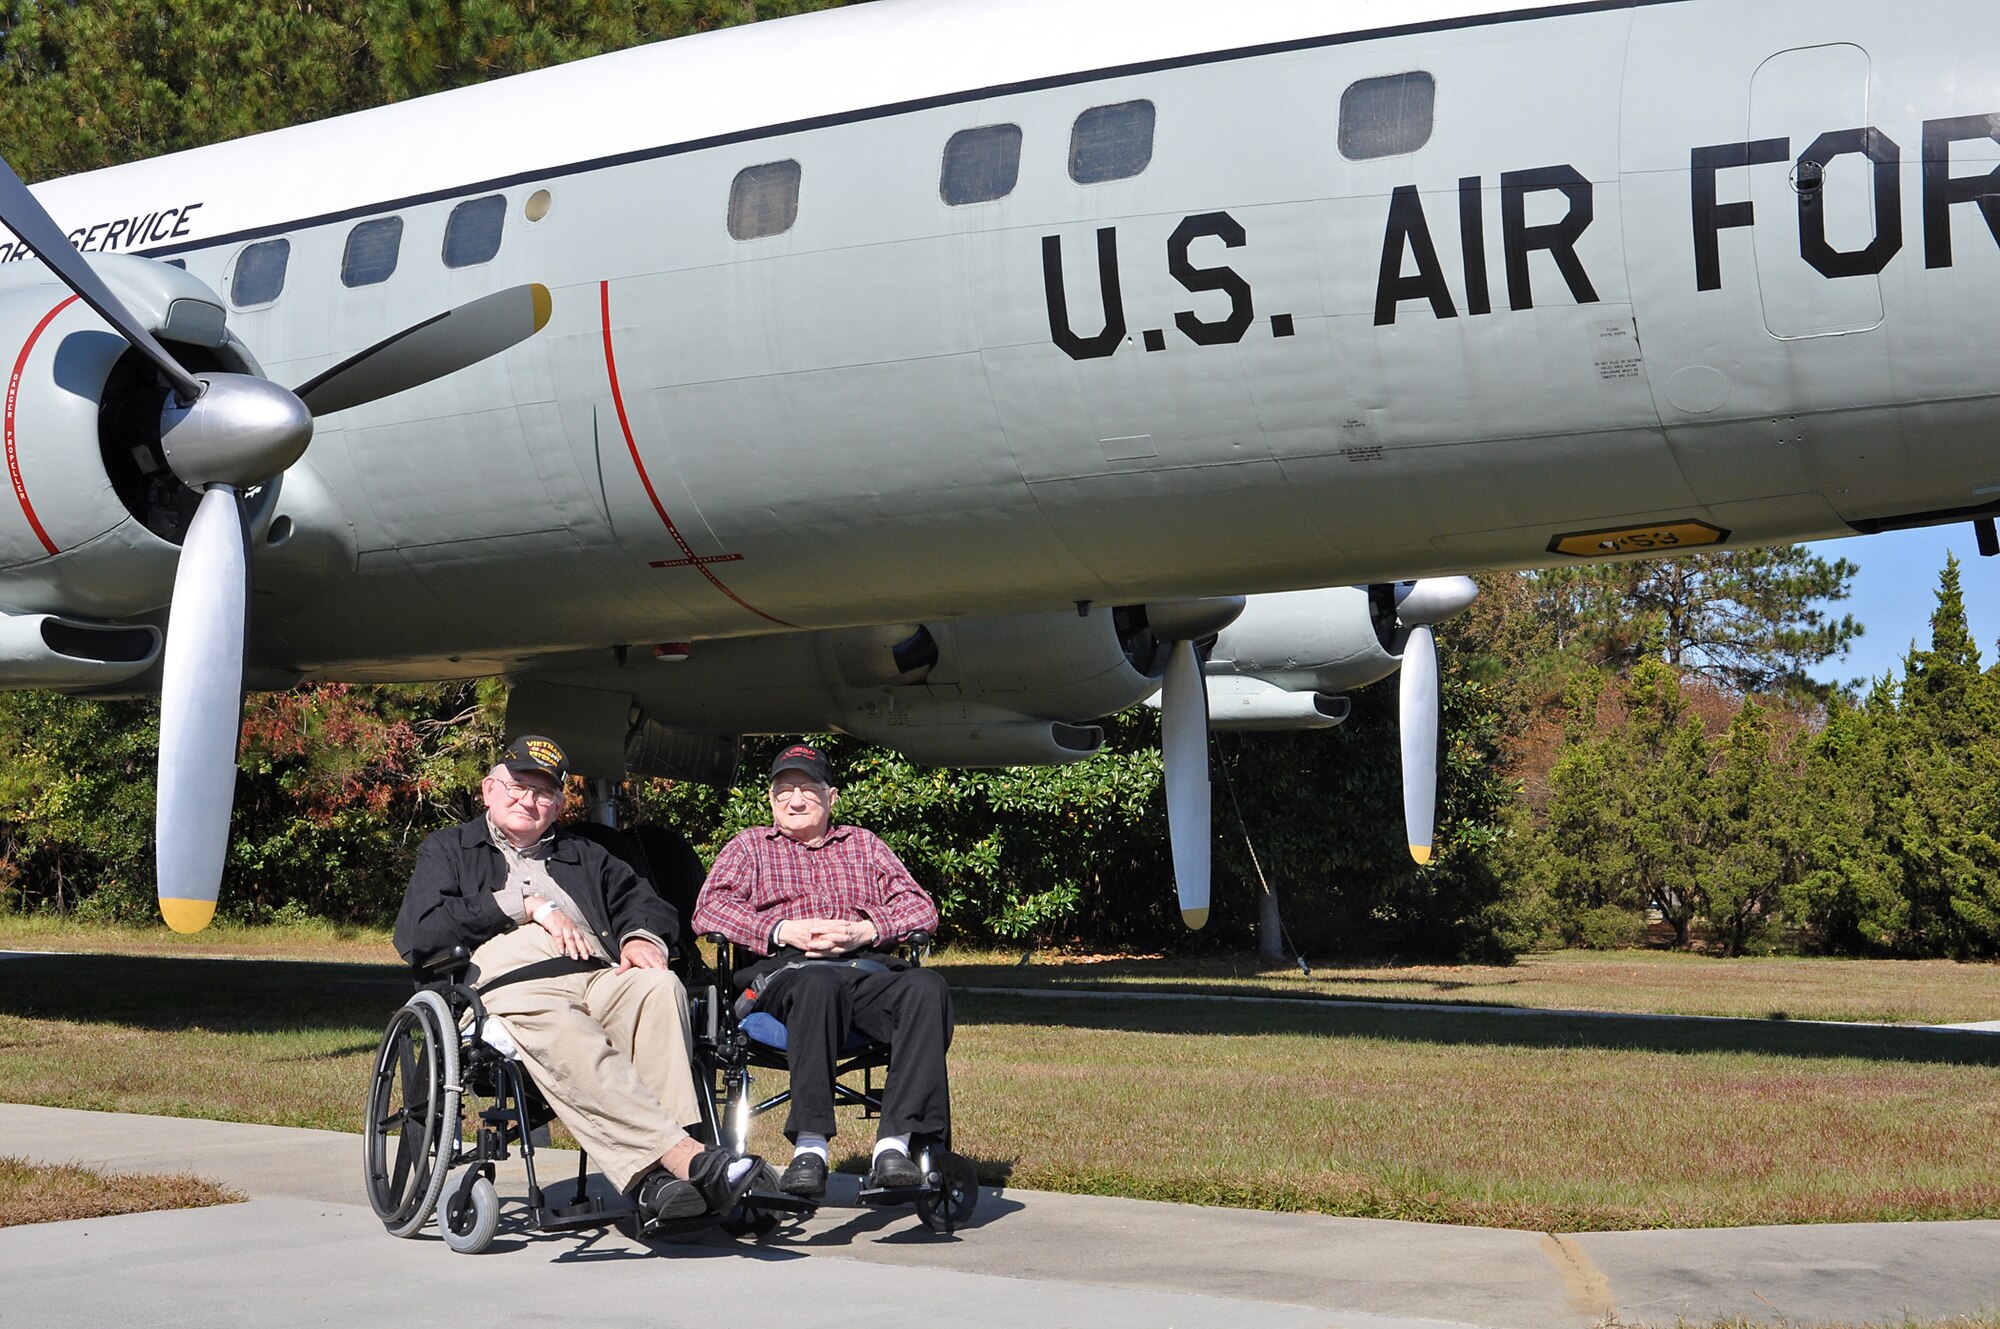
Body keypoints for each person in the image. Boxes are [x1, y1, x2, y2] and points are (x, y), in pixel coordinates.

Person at [394, 735, 760, 1229]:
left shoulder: (585, 854)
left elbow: (645, 902)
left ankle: (669, 1173)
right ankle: (685, 1163)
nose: (529, 800)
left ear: (560, 805)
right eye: (519, 786)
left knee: (658, 987)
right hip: (510, 979)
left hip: (596, 971)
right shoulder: (449, 848)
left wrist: (640, 937)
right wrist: (521, 905)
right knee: (574, 1035)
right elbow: (419, 933)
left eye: (544, 793)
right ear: (489, 790)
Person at [692, 743, 952, 1200]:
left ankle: (895, 1146)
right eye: (783, 791)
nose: (794, 800)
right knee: (818, 980)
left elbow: (920, 908)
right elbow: (709, 911)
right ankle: (810, 1147)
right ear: (771, 801)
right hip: (788, 976)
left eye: (806, 790)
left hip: (866, 972)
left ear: (831, 797)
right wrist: (781, 929)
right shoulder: (750, 846)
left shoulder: (865, 845)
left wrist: (866, 930)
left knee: (926, 986)